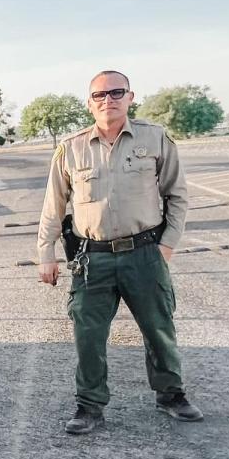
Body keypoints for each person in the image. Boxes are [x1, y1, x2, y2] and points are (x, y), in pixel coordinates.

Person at [37, 69, 203, 434]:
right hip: (91, 258)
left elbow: (177, 195)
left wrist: (167, 245)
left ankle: (171, 395)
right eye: (100, 94)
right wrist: (45, 253)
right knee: (88, 334)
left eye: (116, 92)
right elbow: (54, 206)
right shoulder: (71, 148)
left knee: (158, 327)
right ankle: (89, 406)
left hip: (144, 254)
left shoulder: (155, 139)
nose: (108, 100)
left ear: (130, 97)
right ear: (89, 102)